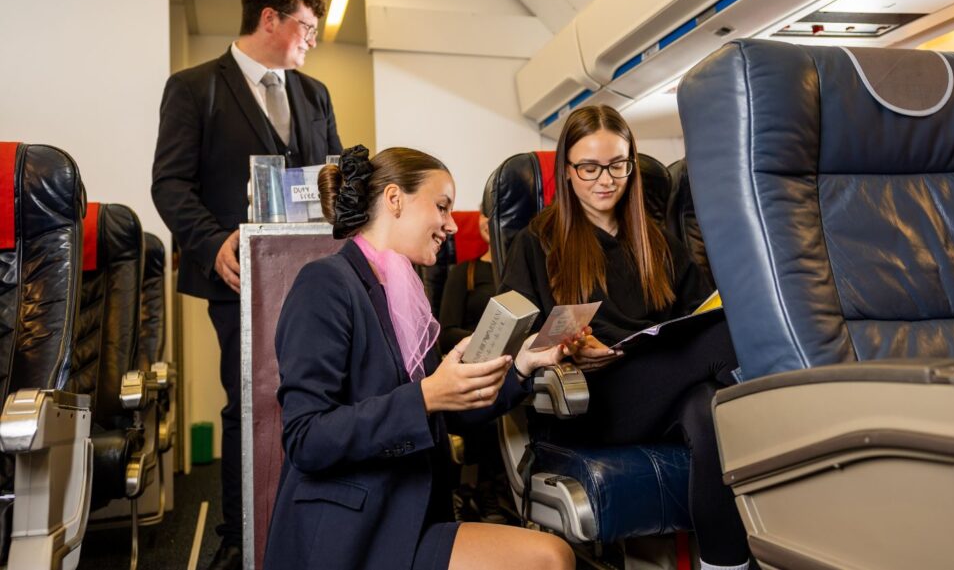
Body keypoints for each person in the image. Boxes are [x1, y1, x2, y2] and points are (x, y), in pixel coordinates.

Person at [263, 146, 576, 570]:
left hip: (409, 514)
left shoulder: (406, 292)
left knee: (552, 556)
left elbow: (449, 412)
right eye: (442, 206)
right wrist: (426, 395)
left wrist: (522, 364)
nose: (450, 224)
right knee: (549, 558)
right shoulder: (325, 284)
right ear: (394, 199)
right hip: (350, 530)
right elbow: (307, 438)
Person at [499, 105, 751, 570]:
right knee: (724, 339)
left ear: (632, 165)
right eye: (589, 167)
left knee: (705, 407)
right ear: (568, 171)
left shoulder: (656, 242)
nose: (605, 179)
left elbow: (696, 315)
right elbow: (512, 341)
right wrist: (565, 349)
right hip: (591, 401)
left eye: (618, 164)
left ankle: (724, 564)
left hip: (665, 392)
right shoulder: (538, 241)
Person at [151, 0, 342, 570]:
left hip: (313, 278)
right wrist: (213, 243)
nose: (312, 41)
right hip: (240, 277)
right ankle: (241, 536)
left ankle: (312, 521)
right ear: (270, 20)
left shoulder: (315, 96)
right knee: (250, 402)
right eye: (306, 28)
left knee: (317, 398)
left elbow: (336, 179)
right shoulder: (195, 87)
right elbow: (170, 183)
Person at [437, 197, 508, 523]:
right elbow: (446, 330)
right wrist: (484, 342)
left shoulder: (519, 274)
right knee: (487, 409)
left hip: (514, 363)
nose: (489, 220)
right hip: (474, 364)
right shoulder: (464, 272)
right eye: (485, 213)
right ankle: (486, 492)